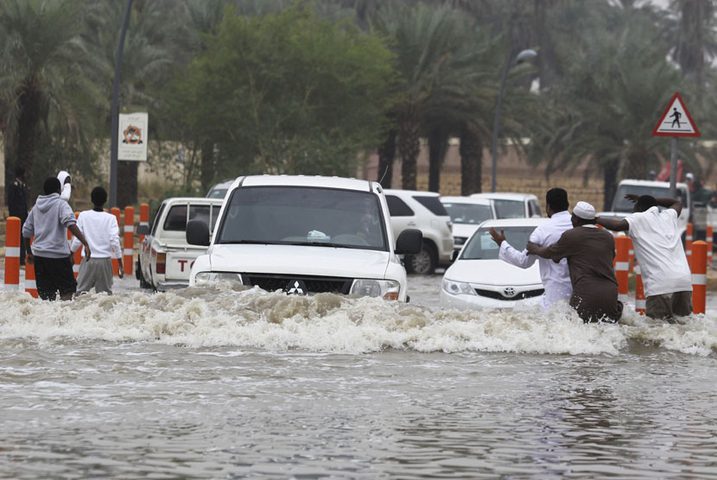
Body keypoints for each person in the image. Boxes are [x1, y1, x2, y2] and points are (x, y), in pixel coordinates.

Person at [596, 195, 692, 321]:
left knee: (656, 329)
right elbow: (677, 202)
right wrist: (652, 200)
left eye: (634, 207)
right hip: (684, 282)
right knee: (684, 326)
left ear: (639, 208)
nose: (633, 211)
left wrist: (595, 219)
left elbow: (617, 225)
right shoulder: (668, 216)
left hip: (660, 284)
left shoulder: (638, 218)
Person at [527, 201, 622, 323]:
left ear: (576, 219)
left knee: (579, 332)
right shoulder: (607, 236)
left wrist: (534, 248)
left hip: (586, 294)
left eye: (572, 217)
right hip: (610, 294)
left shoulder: (572, 235)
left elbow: (551, 254)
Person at [488, 188, 573, 308]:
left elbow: (523, 261)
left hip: (555, 296)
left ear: (548, 207)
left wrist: (502, 243)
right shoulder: (578, 226)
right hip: (581, 293)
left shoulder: (542, 231)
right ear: (568, 205)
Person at [22, 177, 91, 301]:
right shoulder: (61, 204)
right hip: (59, 257)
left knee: (46, 296)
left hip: (40, 257)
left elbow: (26, 231)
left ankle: (48, 319)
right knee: (67, 292)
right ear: (59, 190)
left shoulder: (36, 207)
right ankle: (62, 319)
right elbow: (70, 224)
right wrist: (85, 242)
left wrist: (29, 252)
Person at [71, 187, 123, 294]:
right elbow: (115, 241)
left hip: (88, 260)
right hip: (105, 262)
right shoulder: (111, 218)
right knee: (105, 298)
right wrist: (120, 263)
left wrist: (71, 253)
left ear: (91, 199)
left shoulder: (83, 216)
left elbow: (77, 239)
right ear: (105, 201)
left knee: (80, 294)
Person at [7, 166, 29, 264]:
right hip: (16, 217)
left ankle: (22, 258)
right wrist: (13, 216)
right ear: (21, 175)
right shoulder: (13, 186)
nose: (26, 176)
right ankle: (18, 258)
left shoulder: (22, 186)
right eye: (24, 174)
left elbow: (24, 202)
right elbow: (11, 202)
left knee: (23, 236)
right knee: (17, 237)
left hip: (23, 216)